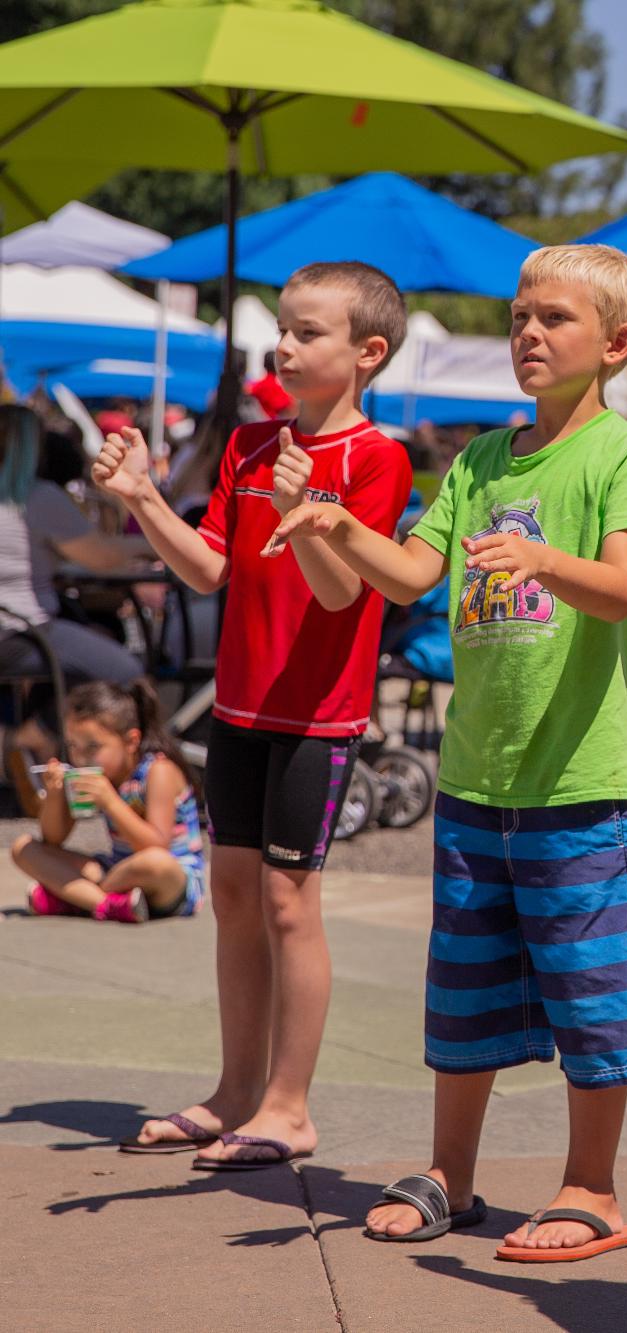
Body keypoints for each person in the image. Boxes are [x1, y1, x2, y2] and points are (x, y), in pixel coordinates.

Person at [268, 244, 627, 1262]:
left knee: (591, 998)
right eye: (518, 318)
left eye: (555, 320)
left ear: (616, 344)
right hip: (473, 782)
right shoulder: (481, 461)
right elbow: (411, 574)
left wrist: (544, 556)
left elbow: (625, 586)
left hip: (579, 789)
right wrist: (332, 523)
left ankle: (592, 1184)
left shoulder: (626, 454)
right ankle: (451, 1171)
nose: (529, 335)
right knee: (464, 995)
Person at [95, 261, 413, 1169]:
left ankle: (287, 1105)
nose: (283, 343)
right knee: (232, 895)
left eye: (308, 331)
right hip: (238, 705)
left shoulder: (376, 458)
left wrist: (307, 513)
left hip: (320, 715)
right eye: (284, 325)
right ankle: (235, 1091)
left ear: (367, 353)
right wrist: (145, 496)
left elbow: (346, 591)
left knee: (286, 902)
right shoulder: (247, 445)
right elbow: (207, 569)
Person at [0, 403, 150, 809]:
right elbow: (100, 555)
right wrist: (161, 542)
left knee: (86, 644)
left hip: (15, 626)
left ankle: (30, 740)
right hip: (21, 631)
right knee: (126, 669)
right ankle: (31, 736)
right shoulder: (35, 496)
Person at [12, 680, 205, 922]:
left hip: (169, 879)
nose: (81, 757)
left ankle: (77, 898)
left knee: (156, 863)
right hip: (117, 870)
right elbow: (53, 838)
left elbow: (156, 846)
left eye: (93, 746)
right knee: (24, 848)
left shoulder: (159, 771)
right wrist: (55, 794)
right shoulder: (100, 773)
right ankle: (106, 903)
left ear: (131, 741)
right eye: (73, 745)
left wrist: (110, 802)